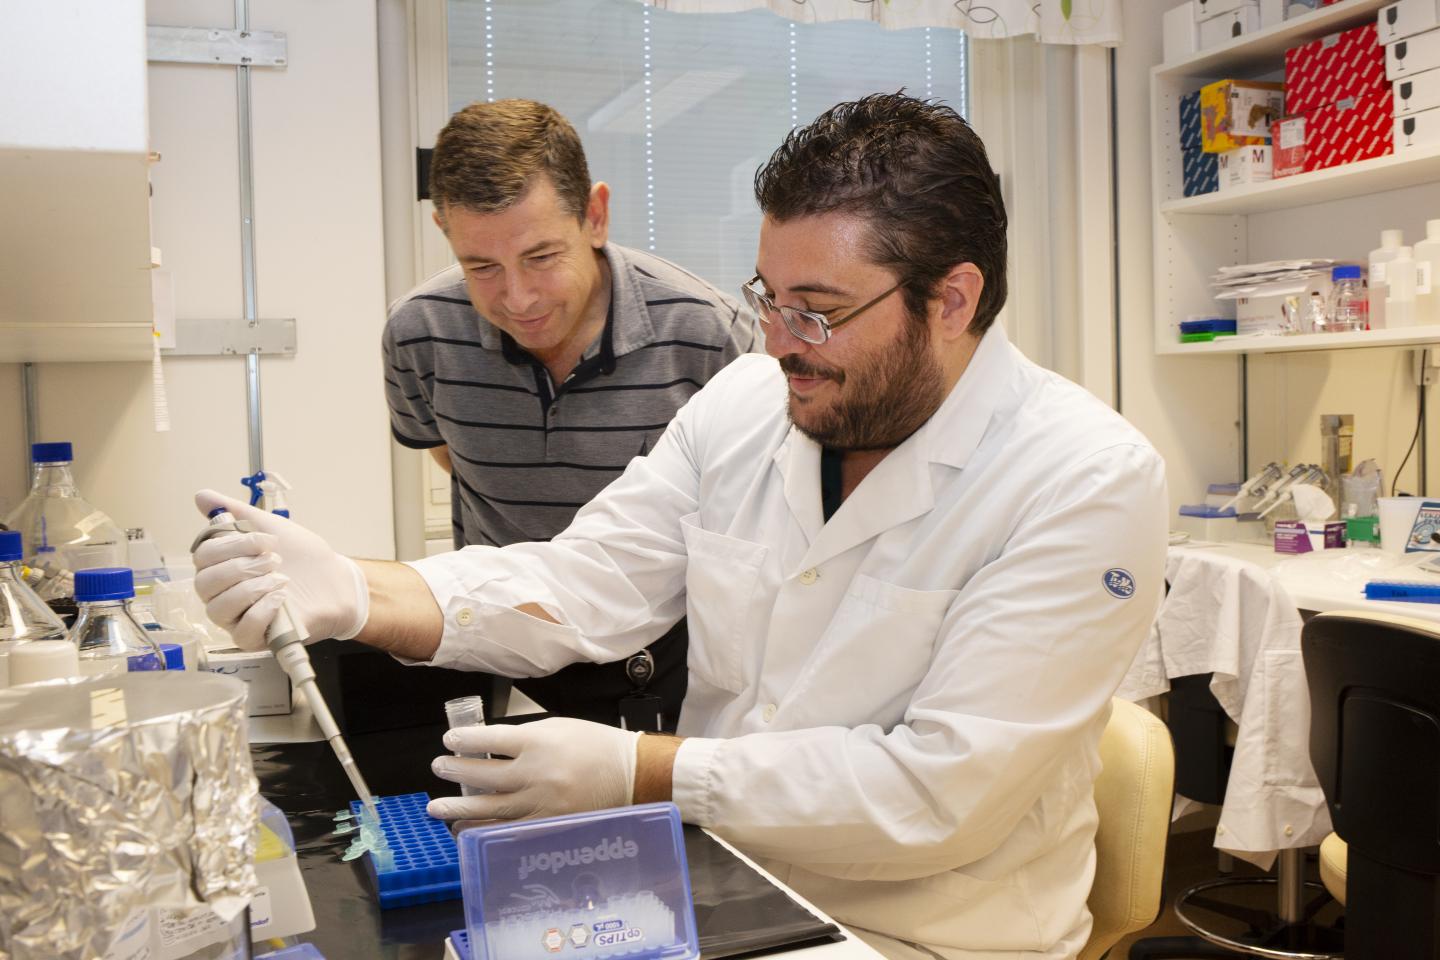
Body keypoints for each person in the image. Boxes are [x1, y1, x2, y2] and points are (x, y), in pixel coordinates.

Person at [195, 93, 1167, 959]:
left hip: (932, 928)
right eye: (768, 298)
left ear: (951, 299)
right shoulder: (747, 406)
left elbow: (934, 796)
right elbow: (587, 583)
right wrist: (360, 591)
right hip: (720, 888)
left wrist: (641, 770)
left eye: (818, 312)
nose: (778, 339)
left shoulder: (1082, 479)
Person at [383, 99, 757, 728]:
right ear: (445, 230)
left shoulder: (709, 332)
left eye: (541, 257)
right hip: (501, 652)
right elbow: (452, 459)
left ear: (595, 216)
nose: (518, 297)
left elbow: (754, 513)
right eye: (483, 268)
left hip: (669, 659)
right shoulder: (419, 335)